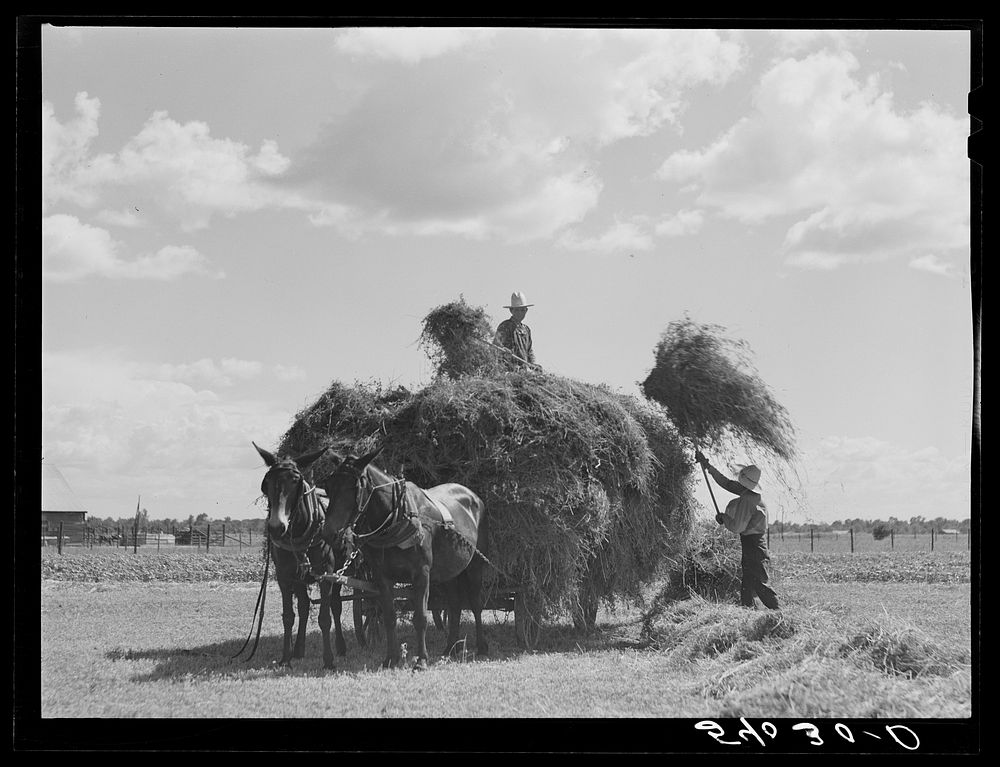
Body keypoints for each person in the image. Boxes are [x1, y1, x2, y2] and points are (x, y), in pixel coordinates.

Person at [695, 449, 779, 610]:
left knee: (759, 581)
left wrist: (723, 518)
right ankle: (747, 611)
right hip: (751, 543)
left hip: (754, 545)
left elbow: (736, 527)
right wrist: (708, 466)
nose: (737, 483)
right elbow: (726, 483)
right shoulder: (748, 493)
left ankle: (779, 614)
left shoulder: (748, 499)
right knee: (747, 579)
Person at [493, 290, 537, 367]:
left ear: (526, 310)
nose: (520, 313)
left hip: (523, 369)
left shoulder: (526, 330)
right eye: (517, 310)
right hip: (508, 368)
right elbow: (495, 347)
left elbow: (529, 351)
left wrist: (533, 365)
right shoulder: (505, 326)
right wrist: (504, 351)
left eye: (522, 310)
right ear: (511, 310)